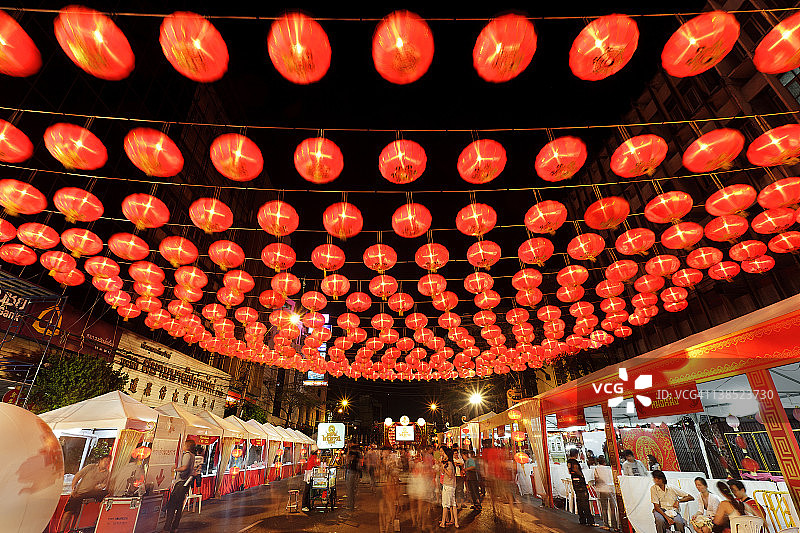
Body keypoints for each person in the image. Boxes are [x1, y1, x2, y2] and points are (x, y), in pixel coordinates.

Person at [58, 454, 111, 533]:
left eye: (108, 462)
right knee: (69, 511)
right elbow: (77, 476)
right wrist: (73, 488)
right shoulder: (90, 467)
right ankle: (61, 531)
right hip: (80, 493)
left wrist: (100, 486)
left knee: (106, 493)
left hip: (91, 493)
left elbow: (104, 485)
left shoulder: (107, 473)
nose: (106, 463)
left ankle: (76, 529)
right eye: (105, 461)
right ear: (100, 461)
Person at [163, 439, 196, 533]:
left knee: (171, 506)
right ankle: (174, 527)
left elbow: (184, 467)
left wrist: (175, 469)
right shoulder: (193, 456)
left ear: (187, 446)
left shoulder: (187, 455)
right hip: (186, 483)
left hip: (181, 483)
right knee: (179, 506)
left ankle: (167, 528)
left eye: (184, 445)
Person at [568, 448, 595, 526]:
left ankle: (582, 519)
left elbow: (570, 471)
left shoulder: (569, 462)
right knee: (584, 501)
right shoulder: (574, 462)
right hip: (579, 483)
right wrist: (582, 475)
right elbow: (575, 469)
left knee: (579, 501)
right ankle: (590, 520)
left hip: (574, 481)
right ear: (576, 454)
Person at [591, 456, 619, 530]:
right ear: (605, 462)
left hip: (602, 489)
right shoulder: (609, 468)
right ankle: (615, 526)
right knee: (613, 508)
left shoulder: (596, 469)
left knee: (604, 508)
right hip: (611, 488)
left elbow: (596, 479)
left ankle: (606, 524)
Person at [439, 448, 460, 528]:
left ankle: (443, 523)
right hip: (451, 486)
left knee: (445, 505)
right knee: (453, 504)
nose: (443, 455)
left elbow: (450, 474)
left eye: (444, 453)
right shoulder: (450, 464)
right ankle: (456, 523)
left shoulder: (450, 464)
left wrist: (444, 468)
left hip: (448, 486)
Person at [301, 446, 320, 512]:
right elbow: (316, 465)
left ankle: (307, 505)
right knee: (307, 491)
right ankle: (304, 505)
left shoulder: (311, 457)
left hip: (308, 475)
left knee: (308, 491)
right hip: (309, 475)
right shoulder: (314, 458)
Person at [344, 445, 361, 511]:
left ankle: (351, 506)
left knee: (350, 489)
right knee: (352, 489)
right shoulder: (357, 454)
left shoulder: (352, 453)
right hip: (355, 472)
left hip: (351, 472)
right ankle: (351, 505)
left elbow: (348, 460)